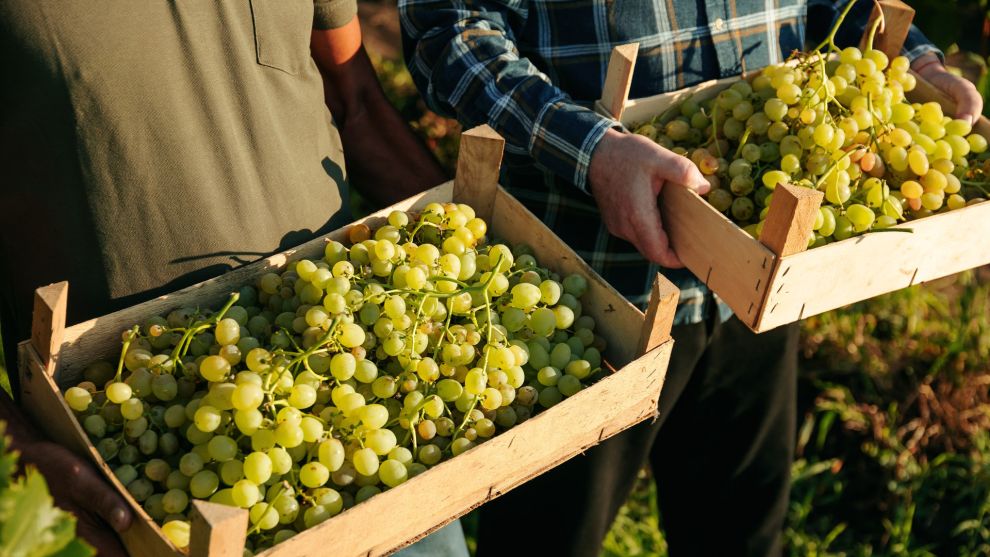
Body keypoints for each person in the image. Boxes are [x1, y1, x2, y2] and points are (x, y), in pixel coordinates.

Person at [399, 0, 982, 555]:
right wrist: (590, 149)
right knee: (548, 541)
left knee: (742, 540)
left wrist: (916, 62)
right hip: (584, 297)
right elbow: (448, 31)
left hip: (756, 279)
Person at [0, 2, 467, 555]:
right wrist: (14, 448)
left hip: (368, 407)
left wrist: (468, 250)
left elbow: (354, 99)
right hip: (145, 468)